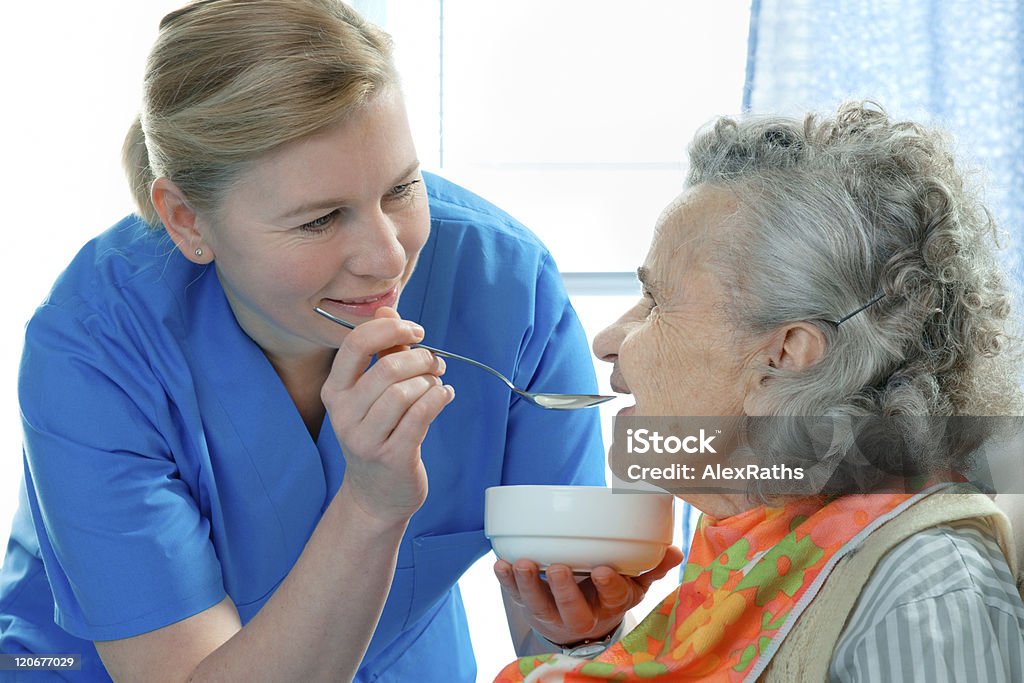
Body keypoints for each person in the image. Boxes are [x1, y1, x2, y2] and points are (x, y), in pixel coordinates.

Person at [0, 2, 678, 681]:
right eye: (320, 220)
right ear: (187, 220)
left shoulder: (506, 290)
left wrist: (578, 628)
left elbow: (555, 615)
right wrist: (371, 503)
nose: (389, 258)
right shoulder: (93, 349)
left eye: (402, 187)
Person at [495, 101, 1024, 681]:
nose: (608, 339)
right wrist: (588, 642)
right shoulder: (760, 539)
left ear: (782, 360)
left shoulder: (926, 587)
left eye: (656, 301)